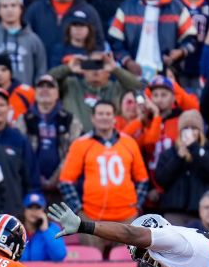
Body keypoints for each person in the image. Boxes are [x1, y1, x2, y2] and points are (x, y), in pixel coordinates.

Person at [57, 100, 149, 258]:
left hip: (126, 216)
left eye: (108, 114)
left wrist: (137, 206)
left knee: (127, 264)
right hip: (92, 216)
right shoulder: (81, 144)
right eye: (100, 113)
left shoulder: (129, 143)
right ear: (93, 118)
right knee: (91, 264)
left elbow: (142, 179)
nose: (104, 117)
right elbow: (66, 181)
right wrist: (79, 209)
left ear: (115, 118)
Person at [109, 0, 196, 80]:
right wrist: (128, 61)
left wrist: (180, 52)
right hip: (133, 72)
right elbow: (115, 40)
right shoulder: (126, 7)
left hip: (165, 72)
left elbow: (191, 39)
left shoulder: (176, 7)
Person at [153, 111, 209, 225]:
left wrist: (195, 149)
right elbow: (161, 179)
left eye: (194, 128)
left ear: (200, 131)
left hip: (201, 214)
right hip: (174, 212)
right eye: (186, 128)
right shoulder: (170, 153)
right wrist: (178, 158)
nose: (190, 132)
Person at [21, 192, 65, 262]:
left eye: (37, 208)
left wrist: (46, 230)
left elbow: (59, 256)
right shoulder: (16, 230)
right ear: (24, 210)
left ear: (43, 210)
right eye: (30, 207)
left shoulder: (53, 228)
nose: (33, 211)